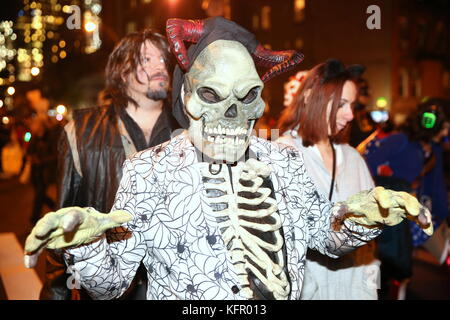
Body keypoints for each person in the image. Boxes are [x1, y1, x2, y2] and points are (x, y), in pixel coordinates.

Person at [24, 17, 432, 300]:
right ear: (186, 98)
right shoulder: (147, 171)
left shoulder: (284, 162)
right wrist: (88, 246)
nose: (233, 115)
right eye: (212, 95)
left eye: (247, 95)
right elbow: (112, 285)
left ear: (260, 98)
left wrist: (358, 217)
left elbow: (321, 235)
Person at [39, 29, 180, 300]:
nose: (160, 66)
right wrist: (57, 294)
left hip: (173, 288)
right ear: (122, 71)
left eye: (163, 59)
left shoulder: (187, 130)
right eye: (146, 59)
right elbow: (64, 226)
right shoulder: (81, 133)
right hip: (109, 290)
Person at [277, 59, 380, 300]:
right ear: (311, 95)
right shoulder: (282, 154)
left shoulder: (353, 158)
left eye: (352, 105)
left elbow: (371, 239)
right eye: (342, 104)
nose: (350, 114)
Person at [364, 99, 449, 299]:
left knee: (401, 265)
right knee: (385, 264)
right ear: (430, 124)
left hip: (414, 212)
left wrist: (442, 214)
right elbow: (368, 161)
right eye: (444, 128)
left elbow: (436, 187)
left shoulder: (433, 150)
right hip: (390, 212)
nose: (446, 133)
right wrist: (387, 179)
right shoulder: (400, 140)